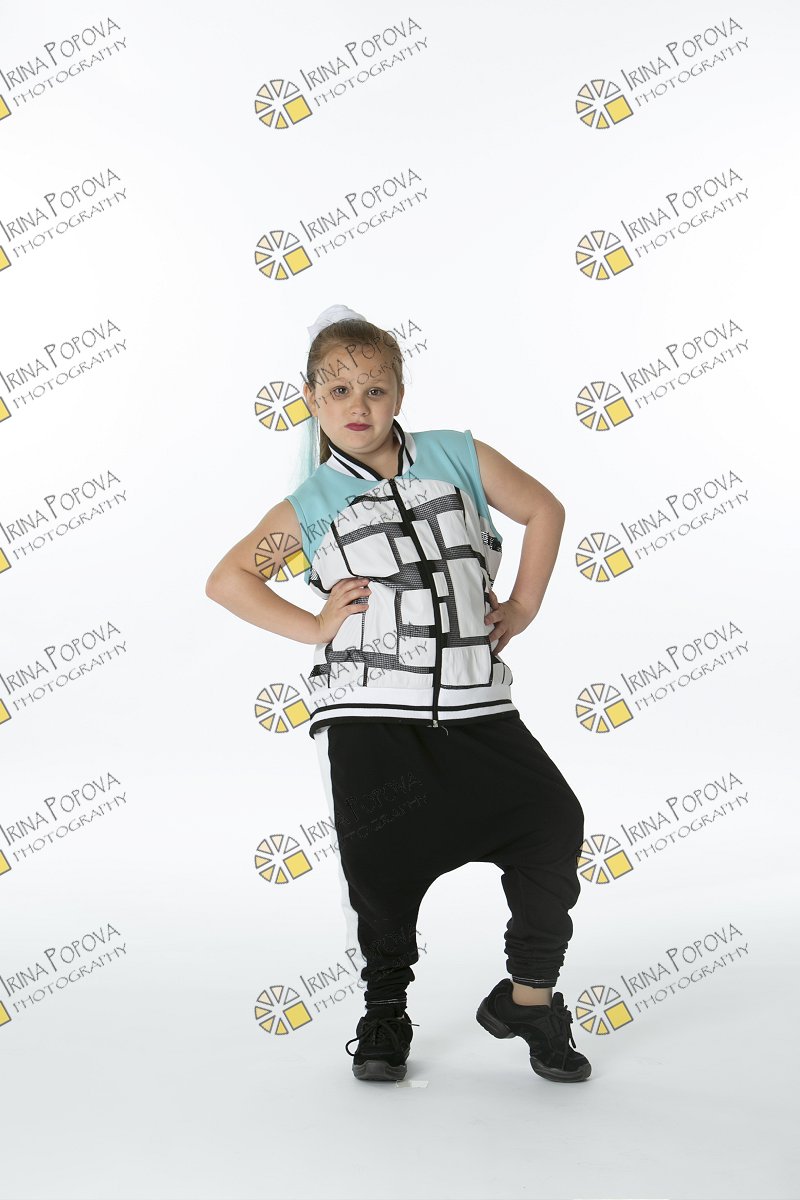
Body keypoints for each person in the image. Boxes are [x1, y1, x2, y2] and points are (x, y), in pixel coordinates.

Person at [205, 305, 591, 1085]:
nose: (359, 405)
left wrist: (523, 605)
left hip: (479, 707)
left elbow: (544, 509)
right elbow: (229, 580)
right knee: (381, 873)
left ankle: (529, 999)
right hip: (371, 717)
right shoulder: (312, 505)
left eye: (375, 389)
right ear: (311, 399)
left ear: (400, 395)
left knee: (552, 825)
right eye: (339, 389)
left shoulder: (455, 456)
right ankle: (384, 1010)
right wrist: (316, 625)